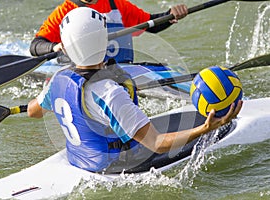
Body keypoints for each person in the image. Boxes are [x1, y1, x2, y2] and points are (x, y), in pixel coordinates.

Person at [28, 7, 242, 173]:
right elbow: (157, 144)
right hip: (113, 167)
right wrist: (206, 128)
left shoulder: (57, 79)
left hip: (79, 159)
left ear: (64, 47)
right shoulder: (109, 93)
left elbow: (33, 112)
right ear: (106, 40)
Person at [29, 0, 188, 63]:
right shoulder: (64, 12)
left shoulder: (116, 4)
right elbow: (36, 46)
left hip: (120, 69)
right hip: (82, 74)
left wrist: (171, 15)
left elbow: (149, 24)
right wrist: (55, 47)